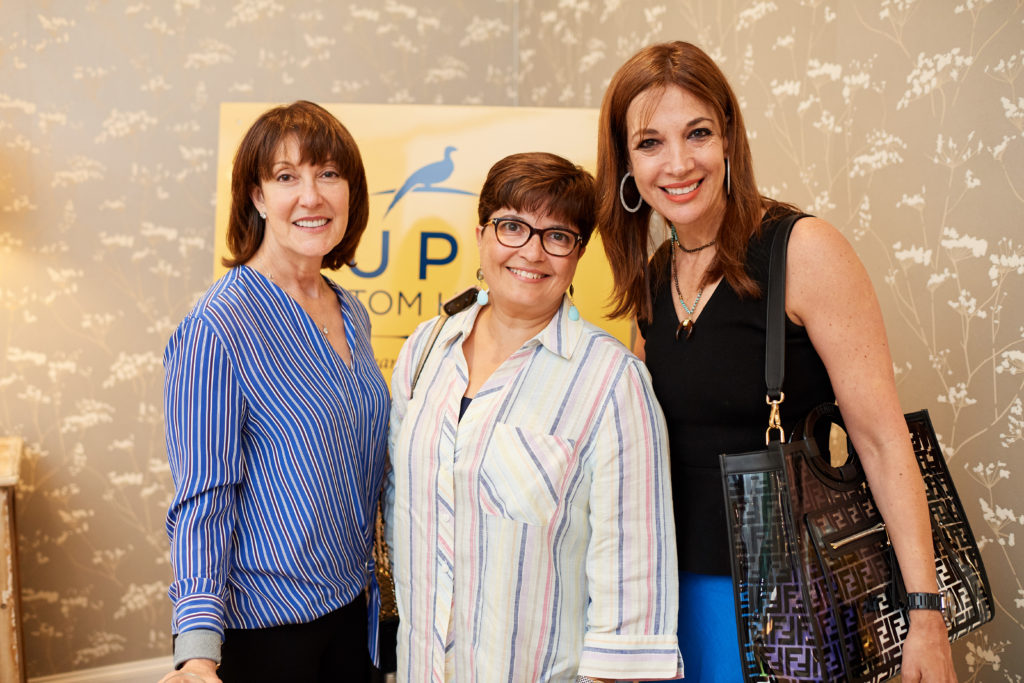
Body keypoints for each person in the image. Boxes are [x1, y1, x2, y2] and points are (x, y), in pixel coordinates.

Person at [596, 41, 957, 682]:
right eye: (650, 143)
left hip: (784, 606)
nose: (677, 163)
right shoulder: (653, 276)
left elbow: (881, 440)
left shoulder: (803, 251)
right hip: (664, 604)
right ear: (626, 163)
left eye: (698, 133)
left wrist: (926, 615)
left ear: (729, 137)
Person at [384, 152, 682, 682]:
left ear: (578, 254)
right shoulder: (425, 350)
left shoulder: (613, 382)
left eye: (557, 236)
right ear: (482, 235)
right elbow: (399, 514)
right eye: (512, 226)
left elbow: (632, 593)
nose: (532, 251)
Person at [160, 100, 390, 683]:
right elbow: (202, 501)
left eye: (328, 174)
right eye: (287, 177)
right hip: (267, 633)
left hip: (352, 610)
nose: (311, 196)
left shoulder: (350, 310)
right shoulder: (218, 328)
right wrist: (197, 652)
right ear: (257, 197)